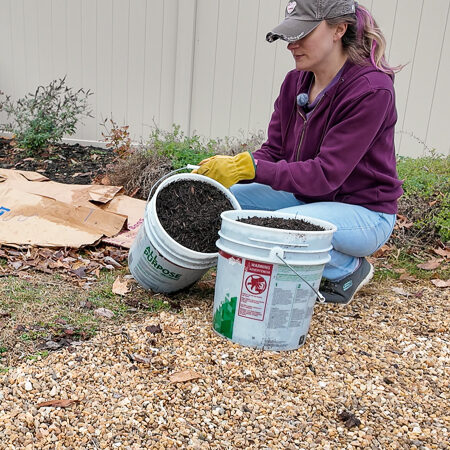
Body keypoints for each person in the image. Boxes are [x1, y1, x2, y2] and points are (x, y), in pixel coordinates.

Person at [194, 0, 403, 305]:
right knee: (227, 199)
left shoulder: (371, 90)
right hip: (310, 198)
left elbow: (325, 175)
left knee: (277, 229)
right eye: (290, 36)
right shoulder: (296, 82)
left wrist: (250, 167)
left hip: (365, 212)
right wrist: (235, 168)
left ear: (338, 30)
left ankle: (346, 268)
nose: (292, 45)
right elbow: (275, 150)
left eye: (303, 34)